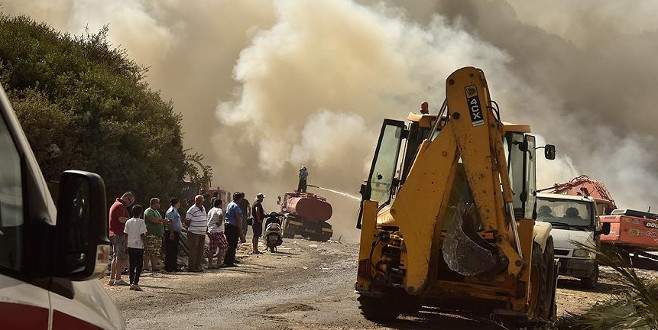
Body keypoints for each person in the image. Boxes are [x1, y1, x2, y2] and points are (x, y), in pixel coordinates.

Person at [108, 191, 134, 286]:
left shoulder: (116, 204)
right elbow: (120, 219)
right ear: (126, 198)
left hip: (114, 233)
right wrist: (132, 221)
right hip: (119, 233)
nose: (130, 204)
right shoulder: (120, 206)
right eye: (130, 201)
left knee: (115, 256)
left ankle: (112, 278)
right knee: (119, 257)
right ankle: (118, 279)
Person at [124, 204, 147, 291]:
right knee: (139, 264)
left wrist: (126, 245)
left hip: (130, 245)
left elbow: (126, 234)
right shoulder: (141, 222)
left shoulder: (128, 222)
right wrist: (145, 244)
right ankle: (135, 282)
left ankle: (131, 282)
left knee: (132, 264)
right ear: (140, 213)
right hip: (139, 246)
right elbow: (142, 234)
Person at [143, 198, 166, 272]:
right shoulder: (148, 211)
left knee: (155, 251)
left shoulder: (156, 211)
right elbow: (152, 219)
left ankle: (154, 267)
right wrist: (163, 220)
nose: (159, 205)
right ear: (154, 203)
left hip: (157, 235)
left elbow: (158, 220)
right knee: (148, 251)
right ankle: (145, 267)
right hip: (151, 235)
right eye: (158, 203)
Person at [185, 195, 207, 272]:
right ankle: (191, 267)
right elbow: (187, 221)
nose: (200, 201)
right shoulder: (191, 209)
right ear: (195, 201)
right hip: (194, 233)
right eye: (198, 200)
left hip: (202, 233)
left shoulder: (203, 208)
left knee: (200, 251)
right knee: (193, 251)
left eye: (201, 200)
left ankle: (198, 266)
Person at [224, 192, 244, 266]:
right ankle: (230, 262)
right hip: (233, 227)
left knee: (229, 244)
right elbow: (238, 219)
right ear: (240, 198)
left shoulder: (229, 204)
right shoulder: (236, 207)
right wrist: (241, 232)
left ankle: (228, 260)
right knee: (233, 244)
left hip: (227, 226)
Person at [207, 199, 228, 268]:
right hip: (217, 231)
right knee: (223, 246)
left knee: (212, 248)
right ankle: (219, 263)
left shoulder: (211, 210)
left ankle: (210, 265)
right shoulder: (219, 209)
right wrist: (219, 222)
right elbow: (221, 215)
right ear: (220, 204)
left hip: (211, 231)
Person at [164, 198, 182, 272]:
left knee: (174, 250)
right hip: (171, 232)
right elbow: (170, 222)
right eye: (179, 203)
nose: (179, 204)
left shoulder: (175, 210)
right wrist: (171, 232)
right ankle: (169, 267)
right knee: (170, 250)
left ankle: (174, 266)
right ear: (176, 203)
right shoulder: (171, 211)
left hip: (175, 232)